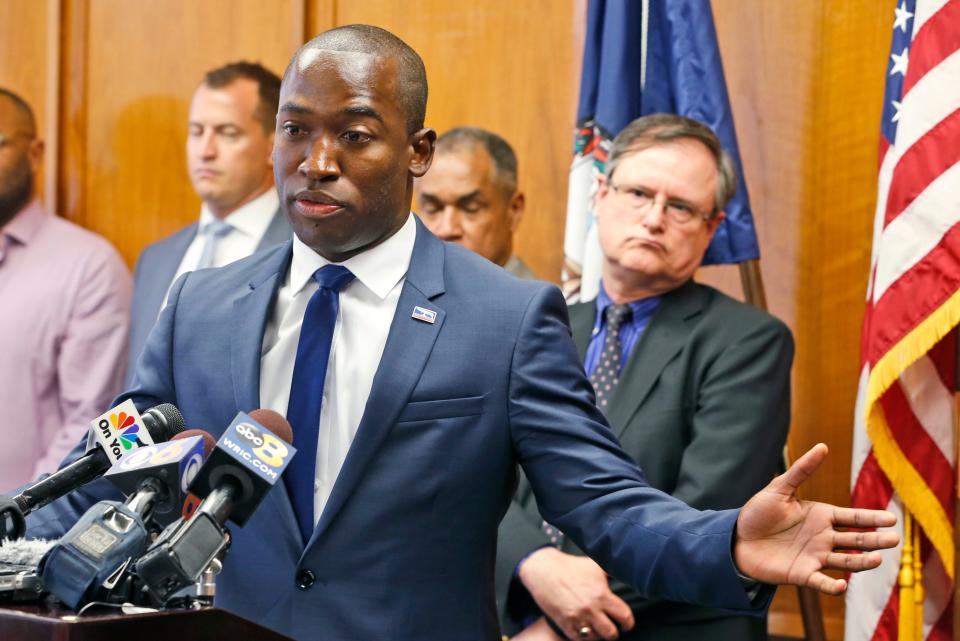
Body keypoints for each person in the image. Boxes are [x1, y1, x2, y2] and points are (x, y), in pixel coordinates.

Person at [26, 26, 897, 641]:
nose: (316, 160)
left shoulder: (505, 317)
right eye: (296, 129)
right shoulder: (200, 302)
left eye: (354, 134)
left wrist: (727, 542)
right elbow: (110, 469)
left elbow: (601, 501)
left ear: (416, 150)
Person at [497, 114, 792, 641]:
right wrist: (533, 564)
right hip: (510, 609)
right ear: (600, 195)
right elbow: (476, 478)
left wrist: (559, 627)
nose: (654, 218)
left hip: (662, 625)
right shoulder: (533, 326)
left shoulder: (750, 343)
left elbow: (705, 515)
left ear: (712, 229)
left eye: (680, 206)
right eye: (638, 192)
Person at [126, 61, 290, 382]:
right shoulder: (155, 259)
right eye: (196, 131)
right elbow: (133, 388)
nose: (205, 150)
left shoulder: (304, 247)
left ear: (274, 145)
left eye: (228, 133)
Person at [0, 89, 131, 488]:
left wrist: (18, 513)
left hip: (25, 535)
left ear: (35, 153)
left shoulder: (89, 266)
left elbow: (89, 424)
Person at [415, 126, 535, 278]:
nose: (446, 229)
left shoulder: (542, 301)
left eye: (470, 208)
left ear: (514, 210)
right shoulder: (402, 296)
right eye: (432, 209)